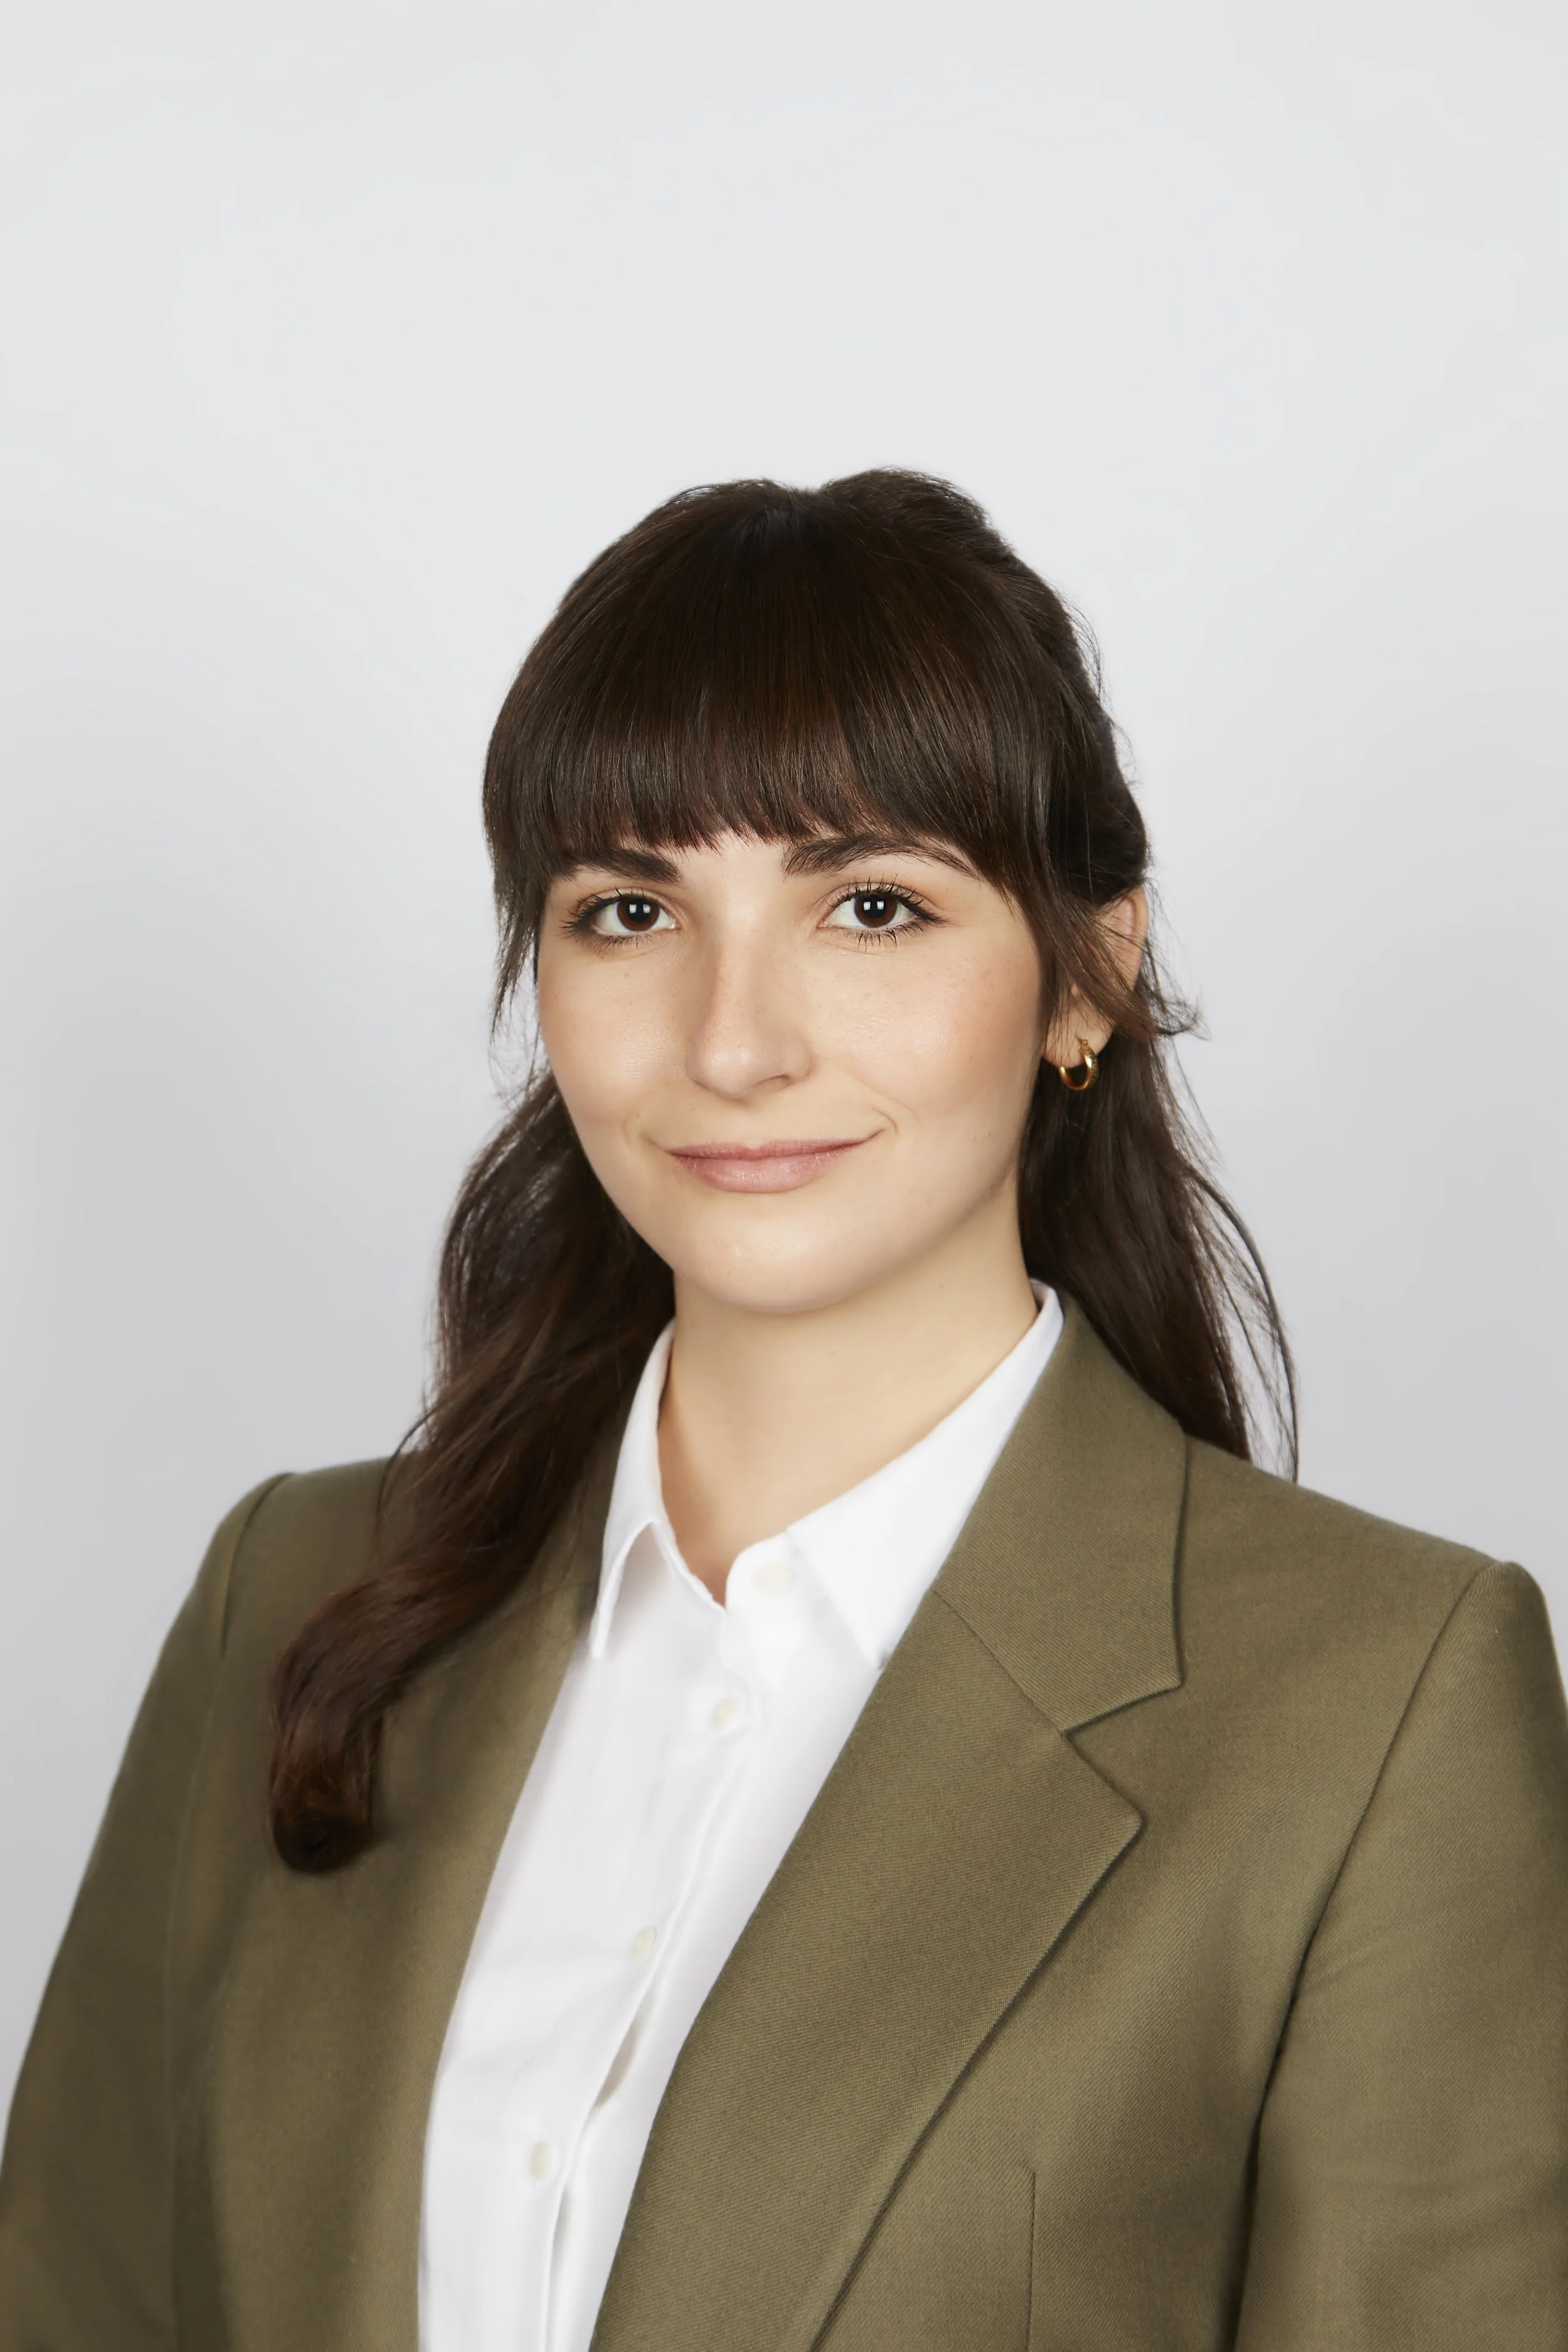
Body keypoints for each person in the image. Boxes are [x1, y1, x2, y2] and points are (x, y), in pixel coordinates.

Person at [1, 471, 1564, 2352]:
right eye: (629, 908)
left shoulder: (1380, 1705)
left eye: (871, 906)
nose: (732, 1042)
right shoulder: (288, 1589)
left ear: (1090, 973)